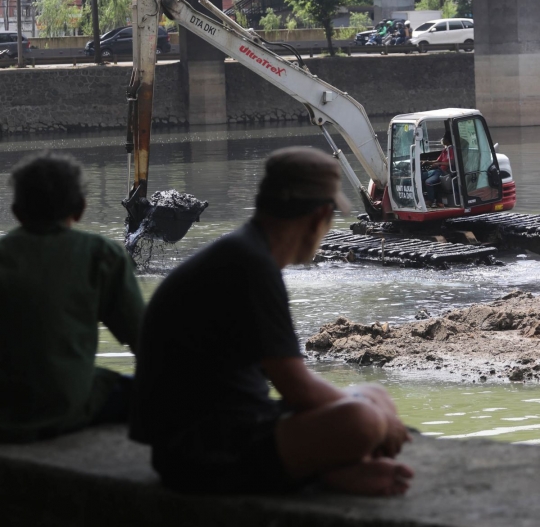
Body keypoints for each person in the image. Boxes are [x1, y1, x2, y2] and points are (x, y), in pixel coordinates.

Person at [130, 146, 414, 496]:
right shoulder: (253, 266)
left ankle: (333, 471)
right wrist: (381, 424)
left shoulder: (243, 251)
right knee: (363, 420)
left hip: (215, 430)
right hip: (200, 453)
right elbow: (298, 388)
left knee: (374, 393)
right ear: (319, 217)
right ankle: (327, 474)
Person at [0, 150, 145, 443]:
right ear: (80, 208)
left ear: (17, 212)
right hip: (64, 407)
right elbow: (145, 339)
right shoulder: (101, 254)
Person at [422, 132, 455, 208]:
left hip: (444, 173)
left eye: (444, 138)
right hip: (437, 170)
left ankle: (431, 200)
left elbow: (451, 163)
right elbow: (437, 161)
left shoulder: (452, 150)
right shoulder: (445, 150)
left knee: (428, 182)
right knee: (421, 176)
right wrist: (427, 162)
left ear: (448, 140)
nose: (442, 139)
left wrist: (438, 164)